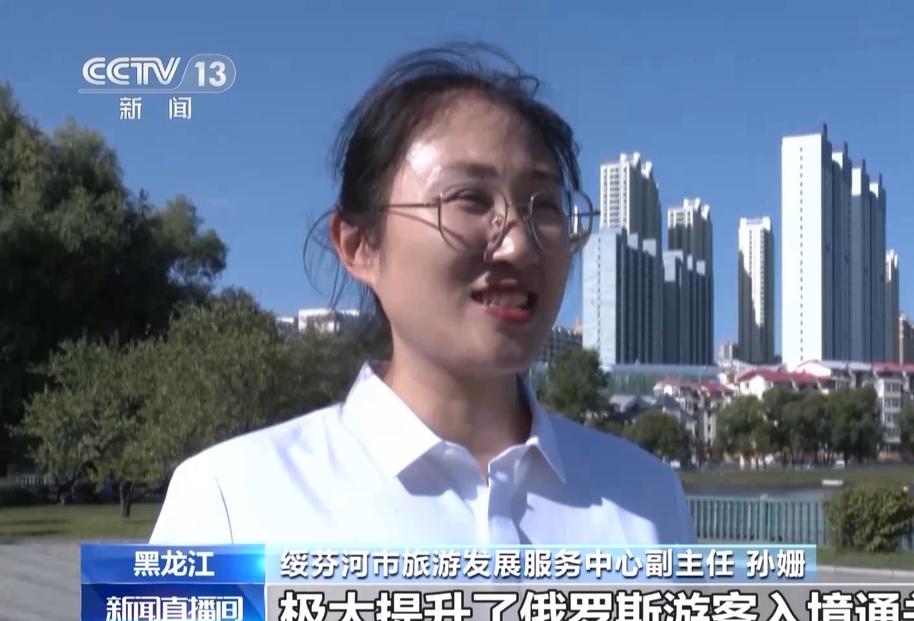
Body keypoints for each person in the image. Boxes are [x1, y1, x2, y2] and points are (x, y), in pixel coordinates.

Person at [149, 44, 695, 545]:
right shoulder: (231, 501)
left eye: (545, 206)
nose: (519, 245)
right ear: (359, 245)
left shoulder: (646, 498)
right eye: (469, 199)